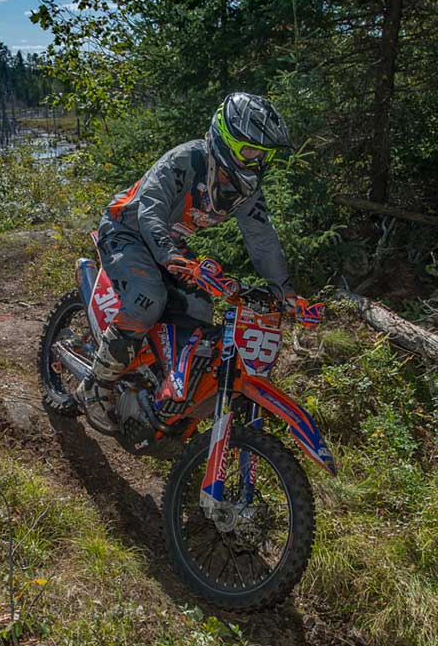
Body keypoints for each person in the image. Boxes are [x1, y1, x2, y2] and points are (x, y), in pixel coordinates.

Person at [75, 92, 310, 433]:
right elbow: (151, 206)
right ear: (226, 137)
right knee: (148, 298)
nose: (257, 162)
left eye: (265, 155)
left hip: (168, 243)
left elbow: (262, 239)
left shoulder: (246, 190)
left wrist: (283, 289)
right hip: (127, 228)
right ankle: (95, 386)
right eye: (252, 152)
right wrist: (169, 254)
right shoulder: (187, 159)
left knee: (199, 309)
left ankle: (159, 388)